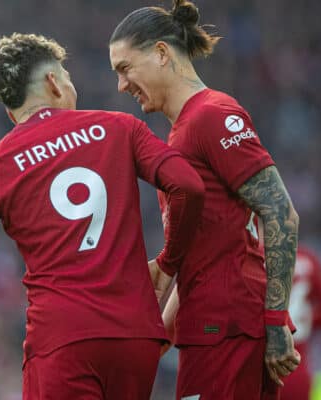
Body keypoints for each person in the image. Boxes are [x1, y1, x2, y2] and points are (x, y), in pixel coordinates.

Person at [0, 33, 205, 400]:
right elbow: (189, 186)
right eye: (67, 77)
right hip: (136, 337)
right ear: (54, 83)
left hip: (62, 342)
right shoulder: (120, 127)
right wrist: (168, 264)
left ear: (11, 112)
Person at [109, 1, 300, 398]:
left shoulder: (211, 116)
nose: (121, 85)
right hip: (215, 325)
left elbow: (280, 211)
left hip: (227, 325)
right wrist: (162, 329)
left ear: (161, 53)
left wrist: (276, 318)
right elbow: (206, 249)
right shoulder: (183, 133)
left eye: (125, 69)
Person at [282, 246, 321, 400]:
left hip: (262, 368)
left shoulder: (255, 255)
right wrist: (306, 322)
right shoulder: (307, 258)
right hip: (298, 365)